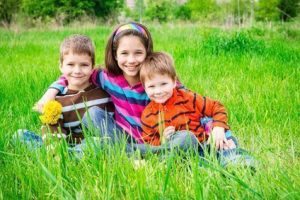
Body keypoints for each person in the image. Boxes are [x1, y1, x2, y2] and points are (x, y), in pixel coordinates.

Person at [36, 22, 198, 156]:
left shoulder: (159, 80)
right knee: (92, 114)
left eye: (138, 53)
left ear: (147, 52)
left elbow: (194, 103)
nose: (131, 60)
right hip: (121, 137)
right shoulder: (106, 77)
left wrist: (216, 128)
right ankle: (151, 155)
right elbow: (75, 75)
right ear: (115, 54)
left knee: (187, 138)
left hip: (157, 139)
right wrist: (50, 93)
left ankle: (136, 155)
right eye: (124, 53)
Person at [139, 52, 255, 167]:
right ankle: (200, 166)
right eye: (152, 86)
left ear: (174, 82)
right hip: (183, 153)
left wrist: (218, 128)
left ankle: (239, 163)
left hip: (205, 145)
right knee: (184, 142)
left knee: (227, 144)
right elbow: (151, 143)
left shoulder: (188, 98)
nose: (158, 91)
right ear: (145, 87)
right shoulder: (148, 115)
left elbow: (217, 107)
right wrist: (163, 140)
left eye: (163, 84)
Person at [16, 34, 115, 151]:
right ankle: (65, 154)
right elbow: (52, 128)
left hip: (93, 142)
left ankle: (69, 155)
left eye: (84, 65)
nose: (77, 71)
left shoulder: (103, 92)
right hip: (67, 143)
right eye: (70, 65)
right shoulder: (57, 100)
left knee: (98, 142)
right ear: (61, 66)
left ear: (92, 67)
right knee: (20, 135)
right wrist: (56, 150)